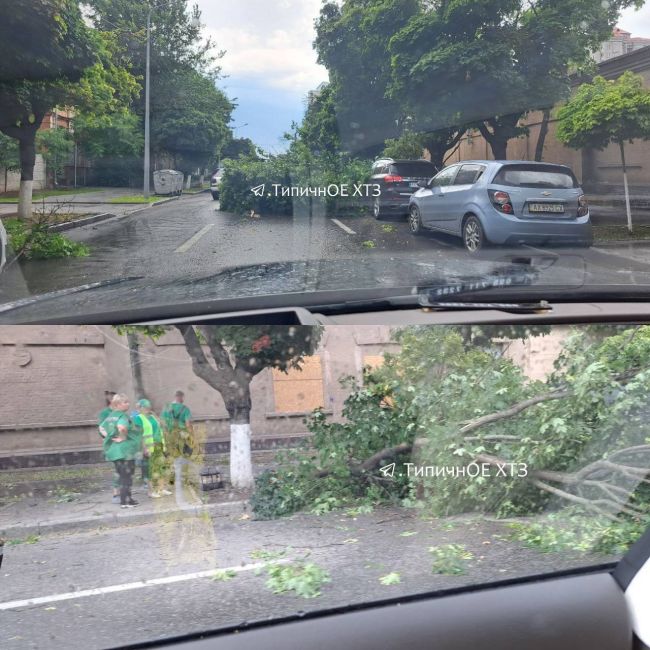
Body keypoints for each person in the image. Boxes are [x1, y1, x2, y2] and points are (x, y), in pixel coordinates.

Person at [100, 394, 141, 508]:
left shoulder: (110, 416)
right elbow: (122, 428)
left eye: (128, 401)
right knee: (126, 477)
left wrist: (108, 438)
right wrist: (122, 437)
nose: (128, 404)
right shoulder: (122, 416)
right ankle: (125, 501)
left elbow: (101, 428)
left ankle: (128, 499)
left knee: (122, 475)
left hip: (115, 451)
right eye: (125, 402)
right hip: (125, 451)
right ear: (118, 404)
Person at [133, 399, 172, 498]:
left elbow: (162, 427)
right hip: (149, 447)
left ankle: (161, 489)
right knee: (151, 470)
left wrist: (156, 416)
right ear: (140, 408)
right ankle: (151, 491)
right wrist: (144, 448)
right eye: (145, 407)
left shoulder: (152, 417)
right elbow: (139, 435)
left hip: (159, 445)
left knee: (161, 467)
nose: (147, 408)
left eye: (148, 406)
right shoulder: (138, 418)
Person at [98, 391, 120, 504]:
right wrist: (111, 438)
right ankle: (116, 494)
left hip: (121, 444)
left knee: (122, 468)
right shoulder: (105, 413)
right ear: (112, 401)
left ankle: (122, 492)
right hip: (112, 445)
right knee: (118, 467)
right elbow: (102, 430)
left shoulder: (119, 412)